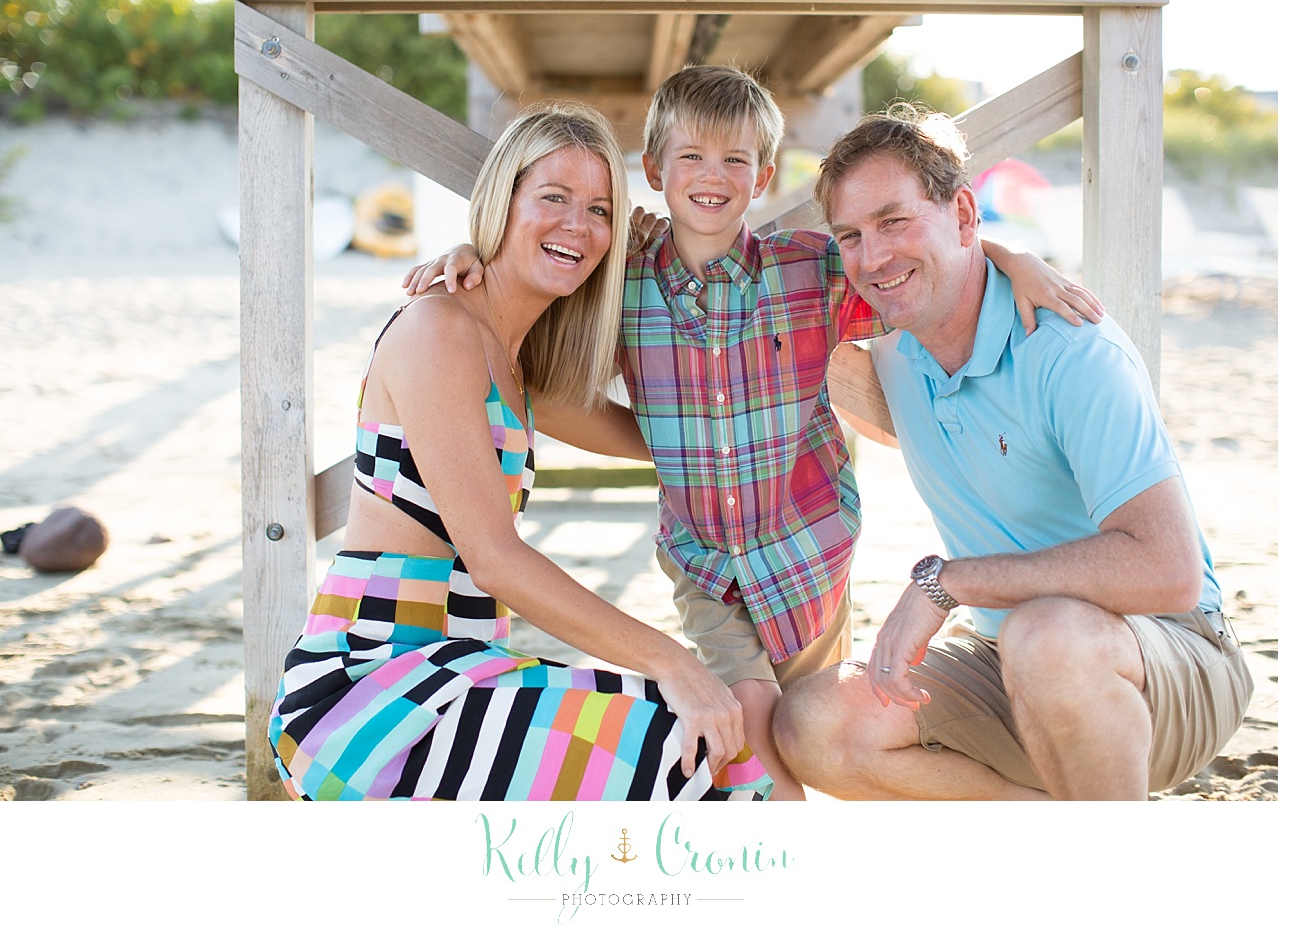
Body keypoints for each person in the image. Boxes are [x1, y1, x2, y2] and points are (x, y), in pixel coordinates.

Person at [402, 65, 1101, 799]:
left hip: (810, 554)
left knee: (809, 737)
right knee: (762, 765)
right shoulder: (621, 278)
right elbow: (527, 323)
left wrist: (1009, 258)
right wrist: (470, 259)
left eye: (736, 159)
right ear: (653, 169)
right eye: (692, 158)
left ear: (765, 173)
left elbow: (911, 262)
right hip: (707, 570)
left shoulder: (812, 271)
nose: (714, 177)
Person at [267, 101, 773, 801]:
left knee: (727, 752)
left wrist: (674, 259)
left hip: (465, 668)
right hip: (368, 688)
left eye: (599, 211)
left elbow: (677, 441)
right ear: (502, 201)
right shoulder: (439, 329)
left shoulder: (521, 365)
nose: (577, 225)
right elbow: (494, 559)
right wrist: (674, 662)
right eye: (553, 199)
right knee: (695, 759)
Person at [772, 103, 1254, 800]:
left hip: (1165, 655)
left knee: (1046, 636)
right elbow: (749, 285)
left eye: (894, 221)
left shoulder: (1069, 348)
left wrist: (953, 581)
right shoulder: (888, 340)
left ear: (966, 216)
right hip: (1006, 660)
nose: (872, 257)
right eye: (850, 235)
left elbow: (1171, 570)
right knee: (815, 721)